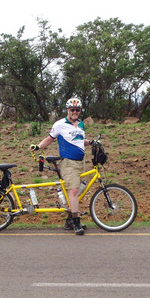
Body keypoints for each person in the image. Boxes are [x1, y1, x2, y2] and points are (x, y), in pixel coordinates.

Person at [30, 98, 96, 235]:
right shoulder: (60, 124)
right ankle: (76, 222)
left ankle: (69, 221)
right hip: (68, 163)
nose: (75, 112)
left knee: (78, 190)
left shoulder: (81, 124)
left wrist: (91, 142)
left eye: (77, 110)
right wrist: (38, 146)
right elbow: (50, 139)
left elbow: (79, 141)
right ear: (67, 110)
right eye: (72, 110)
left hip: (80, 163)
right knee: (73, 191)